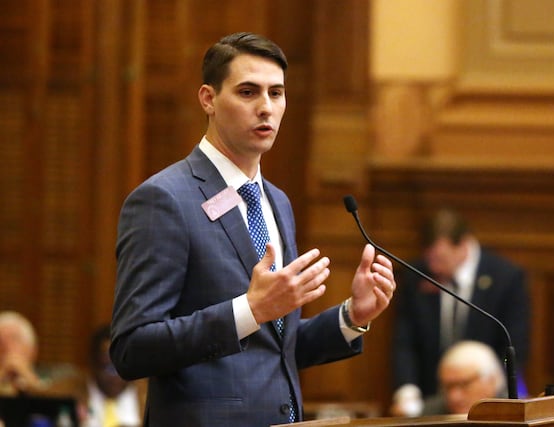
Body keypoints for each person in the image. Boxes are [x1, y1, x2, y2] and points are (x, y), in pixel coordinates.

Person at [110, 32, 396, 427]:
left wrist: (351, 316)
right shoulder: (164, 200)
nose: (266, 108)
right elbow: (132, 348)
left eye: (276, 93)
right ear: (208, 99)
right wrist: (249, 310)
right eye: (248, 92)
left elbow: (274, 348)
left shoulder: (276, 202)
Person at [389, 208, 530, 416]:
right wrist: (407, 391)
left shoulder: (506, 278)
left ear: (464, 245)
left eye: (440, 259)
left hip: (488, 400)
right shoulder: (416, 276)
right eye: (429, 259)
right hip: (433, 402)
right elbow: (405, 342)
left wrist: (494, 384)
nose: (433, 267)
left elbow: (515, 344)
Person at [80, 324, 146, 427]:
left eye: (122, 369)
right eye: (109, 368)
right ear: (93, 363)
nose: (116, 377)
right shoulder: (69, 394)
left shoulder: (150, 396)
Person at [421, 340, 508, 416]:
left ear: (491, 380)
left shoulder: (516, 413)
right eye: (447, 387)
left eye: (464, 384)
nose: (454, 397)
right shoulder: (428, 415)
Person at [0, 311, 43, 395]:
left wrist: (29, 378)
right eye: (0, 342)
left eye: (15, 339)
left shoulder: (62, 375)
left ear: (32, 349)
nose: (7, 347)